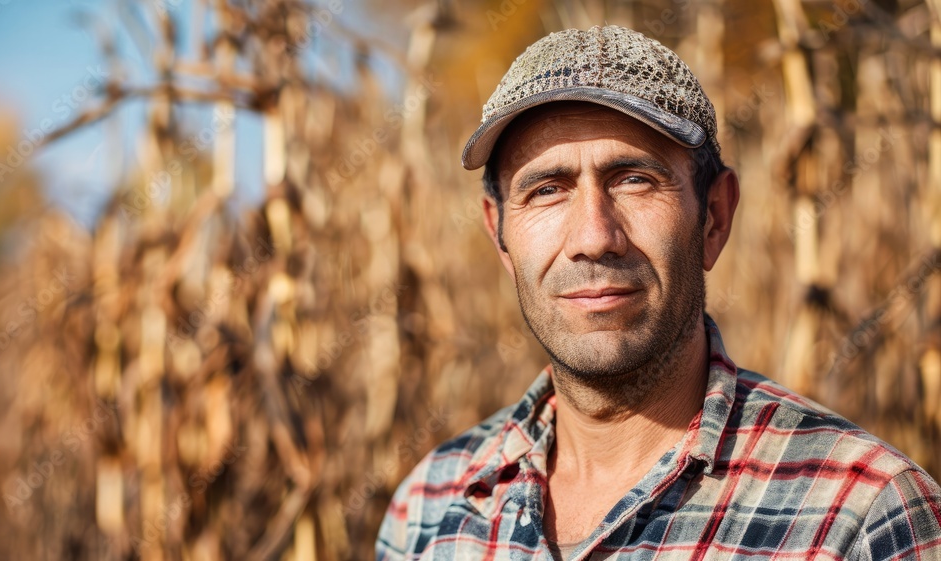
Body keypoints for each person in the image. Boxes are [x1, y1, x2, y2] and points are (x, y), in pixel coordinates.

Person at [375, 25, 941, 560]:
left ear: (714, 218)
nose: (594, 238)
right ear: (499, 234)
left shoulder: (862, 516)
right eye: (548, 190)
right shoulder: (428, 508)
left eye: (634, 179)